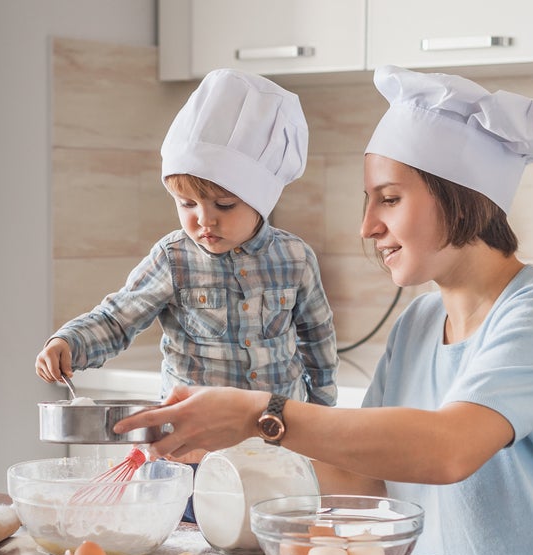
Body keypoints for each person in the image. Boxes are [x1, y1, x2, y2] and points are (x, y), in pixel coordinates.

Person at [116, 65, 533, 555]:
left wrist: (259, 414)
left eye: (390, 199)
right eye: (368, 200)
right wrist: (228, 448)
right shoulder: (421, 323)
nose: (366, 226)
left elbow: (448, 449)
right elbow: (363, 483)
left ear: (462, 198)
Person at [35, 69, 339, 516]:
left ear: (262, 198)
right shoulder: (174, 258)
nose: (203, 220)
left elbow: (319, 342)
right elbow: (119, 316)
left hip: (272, 451)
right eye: (187, 204)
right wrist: (69, 342)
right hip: (189, 454)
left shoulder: (295, 258)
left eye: (224, 205)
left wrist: (321, 420)